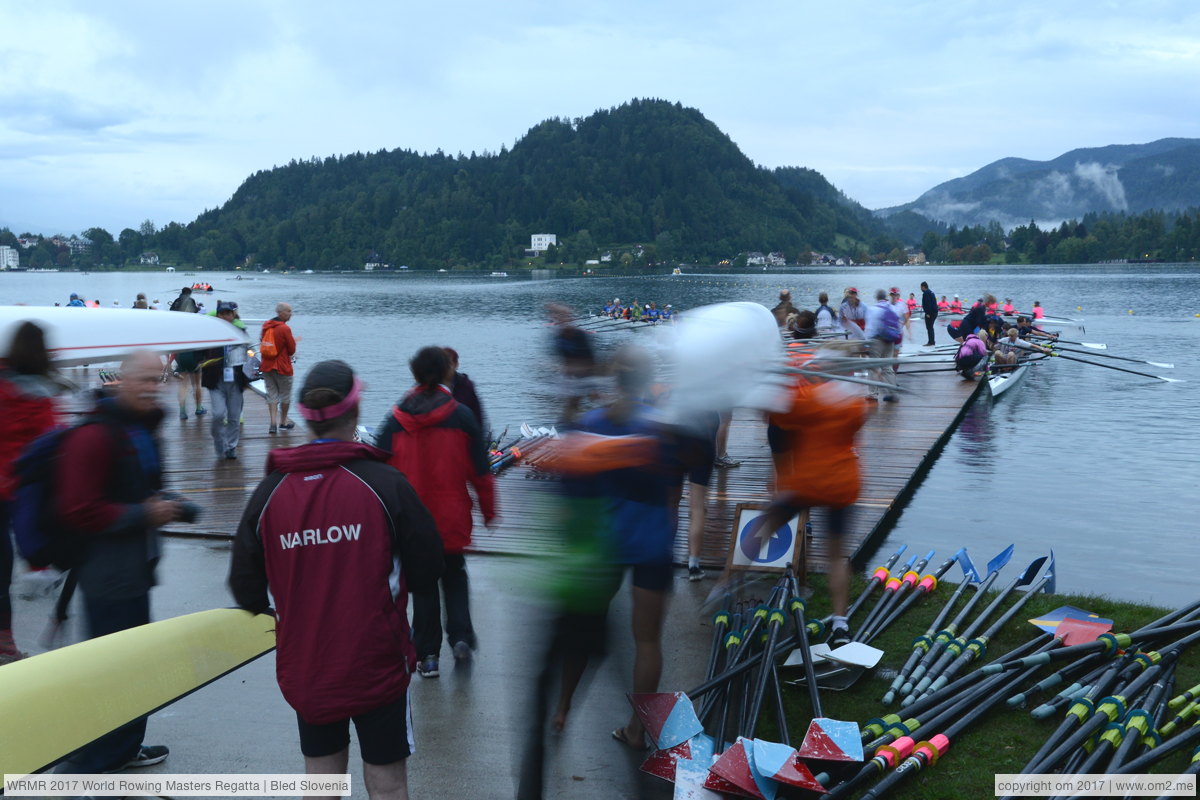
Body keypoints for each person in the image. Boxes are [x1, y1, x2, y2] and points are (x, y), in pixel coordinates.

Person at [229, 360, 443, 800]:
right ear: (356, 410)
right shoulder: (386, 484)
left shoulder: (270, 492)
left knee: (322, 779)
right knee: (387, 783)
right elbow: (427, 567)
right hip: (376, 661)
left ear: (304, 417)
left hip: (307, 663)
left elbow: (245, 587)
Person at [56, 351, 186, 772]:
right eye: (144, 380)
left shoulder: (141, 428)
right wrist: (143, 514)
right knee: (112, 674)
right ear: (120, 381)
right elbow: (78, 510)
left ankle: (124, 748)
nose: (152, 387)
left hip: (136, 569)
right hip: (106, 574)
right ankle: (81, 772)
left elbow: (141, 488)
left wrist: (169, 504)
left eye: (158, 379)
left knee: (134, 667)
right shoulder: (95, 435)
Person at [375, 346, 497, 677]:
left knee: (423, 585)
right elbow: (481, 471)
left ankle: (427, 656)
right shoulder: (462, 415)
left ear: (414, 374)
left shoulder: (395, 418)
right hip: (451, 514)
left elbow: (379, 468)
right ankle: (460, 638)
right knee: (455, 574)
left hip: (411, 520)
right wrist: (489, 510)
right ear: (447, 373)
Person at [758, 370, 871, 647]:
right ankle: (841, 623)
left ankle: (730, 579)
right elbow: (864, 412)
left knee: (764, 527)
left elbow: (776, 417)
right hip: (844, 483)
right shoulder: (853, 402)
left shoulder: (805, 399)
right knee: (836, 556)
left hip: (807, 483)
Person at [0, 322, 60, 664]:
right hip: (25, 486)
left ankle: (4, 643)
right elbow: (49, 440)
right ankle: (5, 645)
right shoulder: (41, 394)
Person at [200, 302, 250, 459]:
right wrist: (202, 362)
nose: (226, 316)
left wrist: (251, 360)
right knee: (218, 414)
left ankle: (231, 447)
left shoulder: (241, 331)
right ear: (218, 315)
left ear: (233, 315)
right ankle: (219, 443)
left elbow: (249, 352)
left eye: (229, 313)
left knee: (234, 417)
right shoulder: (209, 332)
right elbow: (199, 352)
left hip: (235, 380)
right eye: (223, 314)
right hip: (215, 381)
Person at [546, 303, 597, 422]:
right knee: (570, 408)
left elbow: (591, 362)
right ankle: (568, 427)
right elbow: (565, 360)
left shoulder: (580, 336)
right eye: (557, 317)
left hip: (589, 375)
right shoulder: (558, 338)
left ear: (570, 319)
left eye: (565, 317)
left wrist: (592, 387)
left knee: (594, 399)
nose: (560, 320)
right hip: (573, 378)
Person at [260, 302, 298, 435]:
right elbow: (292, 349)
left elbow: (262, 342)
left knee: (272, 394)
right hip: (282, 366)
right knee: (285, 395)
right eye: (288, 311)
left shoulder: (266, 325)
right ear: (280, 313)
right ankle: (282, 422)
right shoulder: (284, 329)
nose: (290, 313)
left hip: (267, 365)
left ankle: (272, 423)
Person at [864, 290, 900, 402]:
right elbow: (898, 326)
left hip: (877, 340)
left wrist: (866, 344)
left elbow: (870, 328)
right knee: (887, 367)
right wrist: (897, 345)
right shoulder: (892, 308)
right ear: (886, 297)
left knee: (872, 366)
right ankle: (892, 392)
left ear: (876, 298)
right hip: (890, 340)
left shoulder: (872, 309)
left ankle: (873, 393)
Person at [443, 347, 485, 434]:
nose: (445, 368)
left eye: (449, 364)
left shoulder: (466, 386)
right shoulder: (430, 387)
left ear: (456, 365)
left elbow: (478, 417)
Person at [170, 350, 206, 420]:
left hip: (181, 357)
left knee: (183, 386)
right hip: (194, 356)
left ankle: (182, 412)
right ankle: (199, 408)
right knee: (197, 384)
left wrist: (170, 361)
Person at [921, 281, 939, 346]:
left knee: (929, 327)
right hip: (934, 312)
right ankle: (932, 341)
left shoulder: (926, 293)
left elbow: (928, 304)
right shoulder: (931, 292)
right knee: (930, 327)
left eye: (921, 287)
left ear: (923, 287)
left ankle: (931, 342)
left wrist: (927, 313)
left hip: (930, 313)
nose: (921, 289)